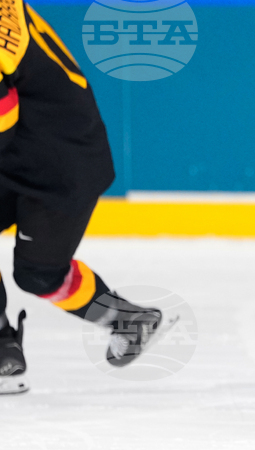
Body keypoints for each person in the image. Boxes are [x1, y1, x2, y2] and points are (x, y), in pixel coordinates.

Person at [1, 0, 167, 395]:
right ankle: (3, 349)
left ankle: (128, 320)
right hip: (27, 149)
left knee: (39, 275)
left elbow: (4, 111)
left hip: (62, 165)